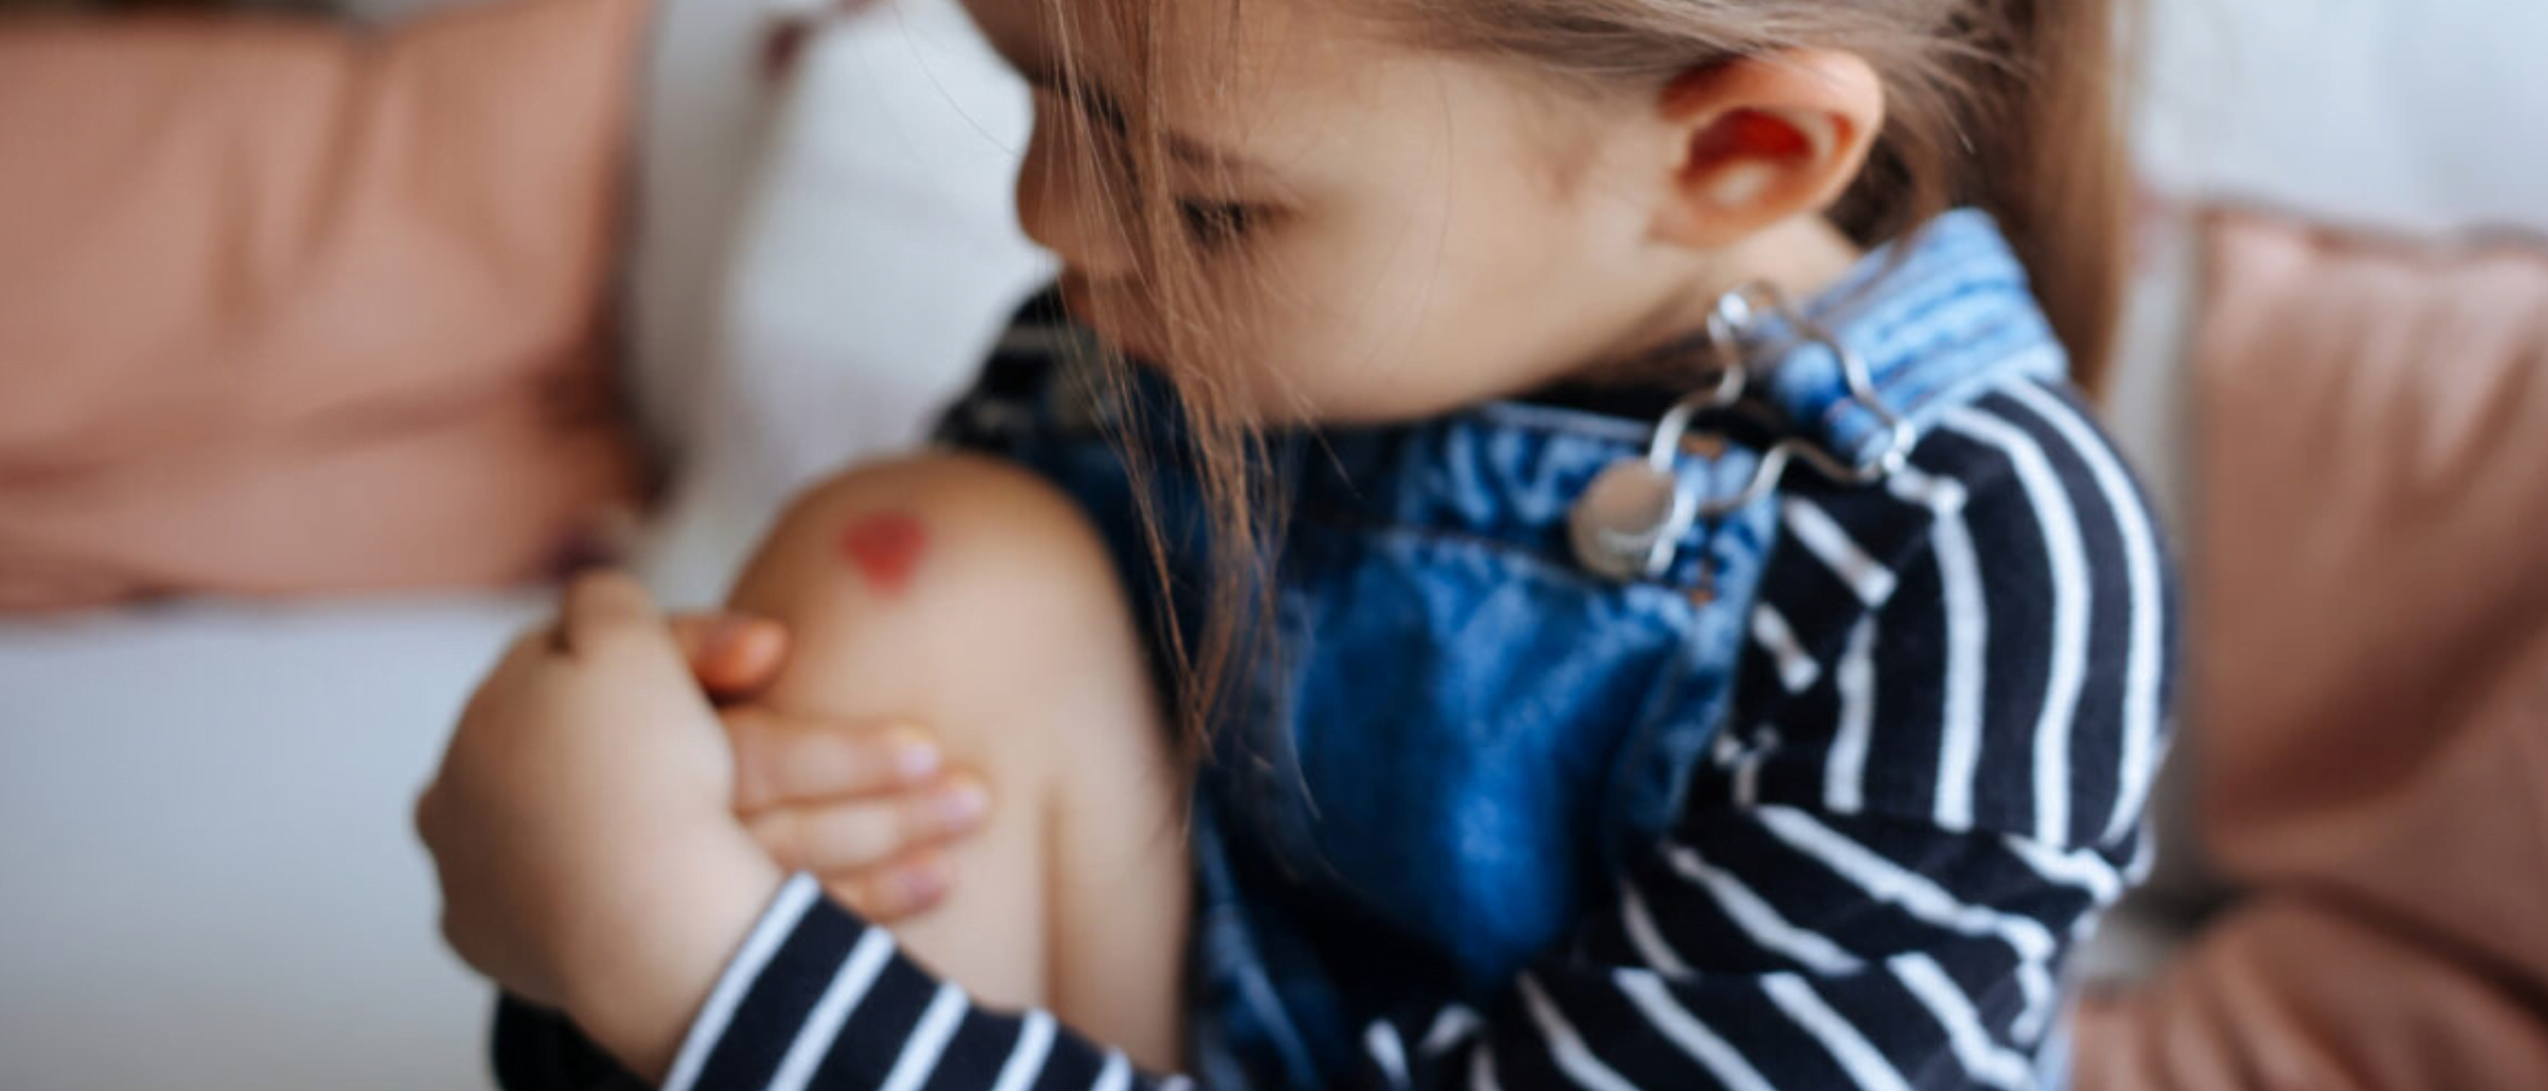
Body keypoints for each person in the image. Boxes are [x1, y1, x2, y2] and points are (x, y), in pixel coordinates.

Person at [414, 0, 2175, 1086]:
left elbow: (755, 1004)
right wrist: (590, 878)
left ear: (1736, 150)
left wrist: (678, 951)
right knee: (909, 563)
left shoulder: (1972, 553)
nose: (1047, 215)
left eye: (1205, 200)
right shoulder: (1110, 358)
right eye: (1033, 84)